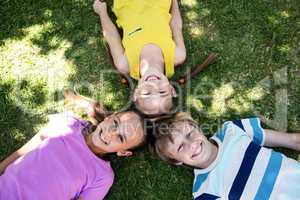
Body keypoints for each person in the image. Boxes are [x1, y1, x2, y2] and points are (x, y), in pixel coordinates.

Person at [0, 91, 145, 200]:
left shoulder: (103, 177)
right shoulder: (68, 123)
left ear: (123, 152)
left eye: (120, 137)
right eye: (115, 123)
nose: (110, 133)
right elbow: (26, 149)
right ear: (109, 117)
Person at [153, 112, 300, 199]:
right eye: (180, 147)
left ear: (197, 127)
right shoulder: (204, 191)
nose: (191, 144)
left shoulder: (232, 130)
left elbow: (293, 140)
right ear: (176, 161)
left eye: (190, 134)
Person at [93, 0, 186, 115]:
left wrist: (102, 12)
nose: (154, 86)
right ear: (172, 90)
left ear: (136, 93)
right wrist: (175, 3)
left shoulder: (125, 64)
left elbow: (111, 36)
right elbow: (176, 26)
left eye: (147, 93)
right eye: (162, 92)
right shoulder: (178, 55)